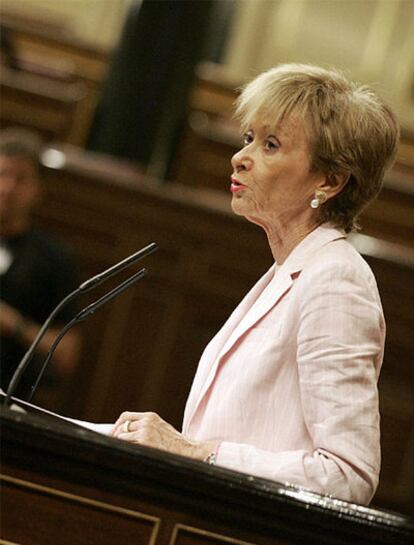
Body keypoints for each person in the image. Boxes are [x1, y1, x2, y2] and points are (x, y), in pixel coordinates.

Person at [111, 63, 399, 505]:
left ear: (330, 180)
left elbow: (348, 475)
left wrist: (195, 453)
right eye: (249, 138)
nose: (240, 157)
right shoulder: (289, 271)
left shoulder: (337, 281)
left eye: (271, 144)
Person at [0, 127, 81, 401]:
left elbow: (66, 355)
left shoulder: (53, 260)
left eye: (20, 179)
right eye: (2, 174)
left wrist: (14, 325)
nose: (8, 188)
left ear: (37, 189)